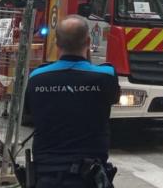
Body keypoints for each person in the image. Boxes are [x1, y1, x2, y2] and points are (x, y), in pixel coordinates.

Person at [23, 15, 120, 188]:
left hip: (46, 175)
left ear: (56, 42)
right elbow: (112, 98)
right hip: (89, 177)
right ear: (88, 41)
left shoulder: (37, 77)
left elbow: (29, 114)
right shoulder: (106, 76)